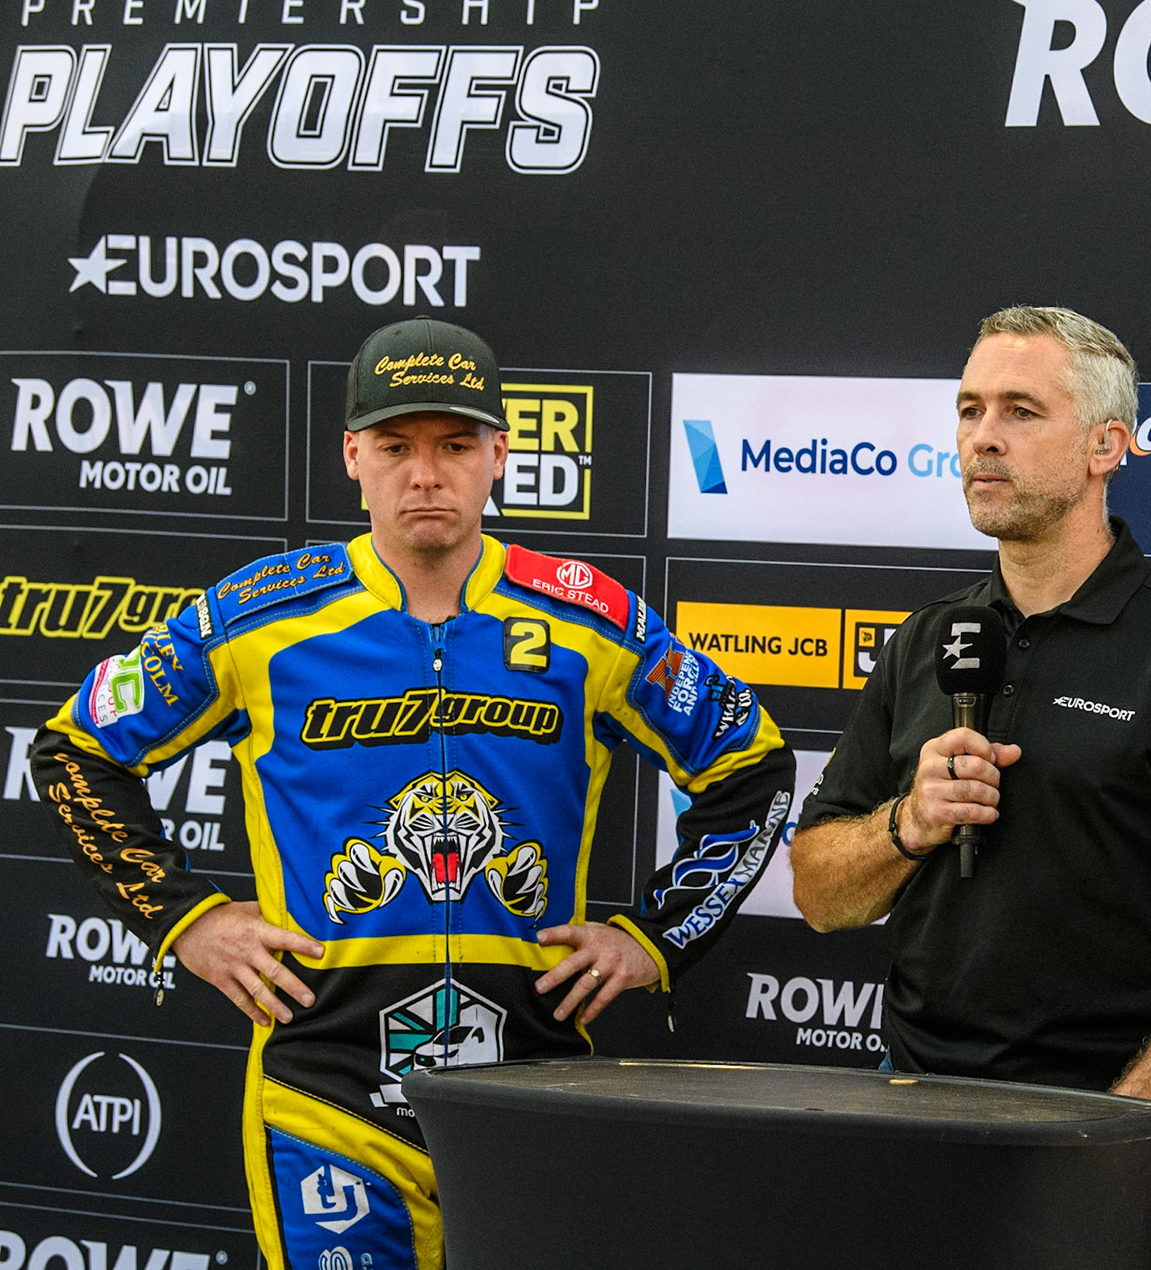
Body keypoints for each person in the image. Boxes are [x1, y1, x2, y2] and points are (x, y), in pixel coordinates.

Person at [30, 317, 794, 1270]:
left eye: (454, 445)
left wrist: (653, 937)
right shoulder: (258, 619)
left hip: (532, 1084)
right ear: (353, 456)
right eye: (395, 447)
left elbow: (754, 767)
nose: (425, 475)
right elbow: (72, 753)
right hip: (326, 1086)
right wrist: (186, 921)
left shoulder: (588, 621)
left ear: (500, 454)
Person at [790, 305, 1151, 1270]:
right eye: (970, 409)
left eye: (1022, 411)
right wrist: (909, 823)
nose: (984, 436)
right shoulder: (924, 643)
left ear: (1107, 444)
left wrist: (1121, 1127)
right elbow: (820, 892)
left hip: (1103, 1154)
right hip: (908, 1123)